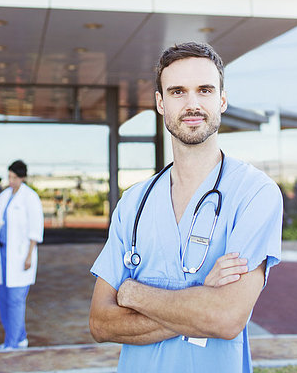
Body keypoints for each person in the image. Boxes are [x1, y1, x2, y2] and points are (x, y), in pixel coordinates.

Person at [89, 42, 283, 373]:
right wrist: (201, 296)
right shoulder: (134, 203)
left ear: (222, 99)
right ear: (160, 103)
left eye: (204, 90)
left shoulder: (255, 193)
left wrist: (133, 293)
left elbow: (225, 318)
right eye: (178, 92)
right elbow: (101, 323)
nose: (192, 103)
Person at [0, 160, 44, 350]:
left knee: (16, 300)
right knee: (4, 298)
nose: (11, 181)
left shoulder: (30, 197)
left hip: (21, 255)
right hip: (3, 254)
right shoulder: (4, 195)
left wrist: (29, 255)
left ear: (22, 177)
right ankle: (20, 338)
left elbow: (35, 229)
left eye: (15, 177)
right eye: (9, 177)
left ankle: (12, 343)